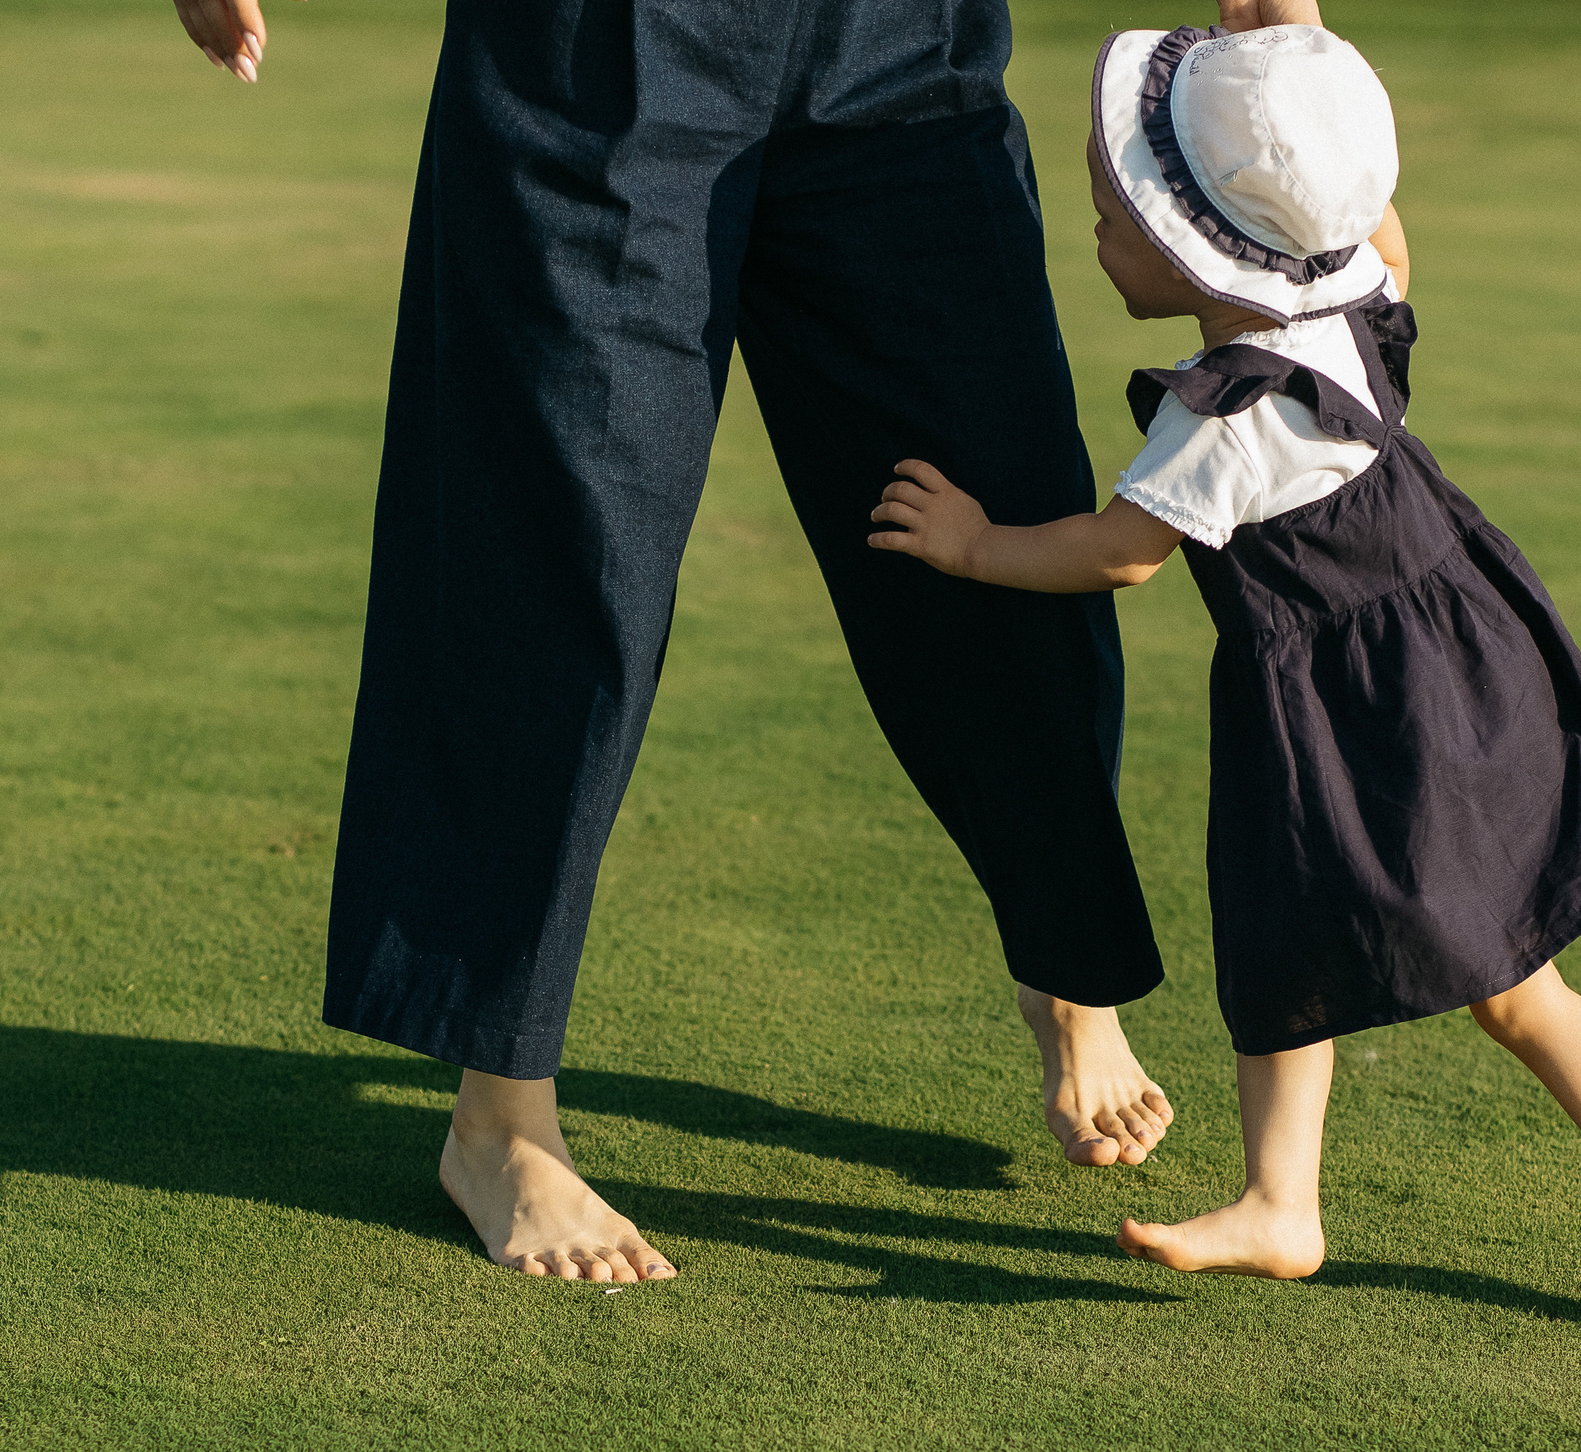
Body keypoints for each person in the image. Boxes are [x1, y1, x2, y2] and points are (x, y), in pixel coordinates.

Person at [167, 0, 1192, 1282]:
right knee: (560, 542)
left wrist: (1291, 44)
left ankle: (1066, 964)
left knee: (1000, 490)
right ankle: (500, 1114)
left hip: (901, 41)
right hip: (591, 45)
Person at [866, 7, 1581, 1341]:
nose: (1099, 230)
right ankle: (1284, 1201)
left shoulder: (1230, 412)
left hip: (1381, 706)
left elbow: (1118, 553)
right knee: (1285, 936)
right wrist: (1295, 48)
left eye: (1120, 214)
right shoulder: (1352, 286)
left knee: (1513, 989)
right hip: (1439, 659)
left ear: (1198, 251)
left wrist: (976, 545)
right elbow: (1374, 213)